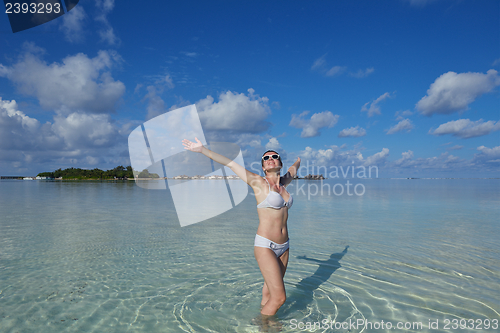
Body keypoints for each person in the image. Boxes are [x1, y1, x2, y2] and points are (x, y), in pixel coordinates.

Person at [182, 138, 301, 316]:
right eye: (265, 158)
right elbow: (230, 163)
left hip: (284, 247)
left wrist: (298, 161)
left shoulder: (284, 183)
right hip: (265, 245)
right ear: (263, 167)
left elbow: (293, 169)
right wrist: (202, 150)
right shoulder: (258, 182)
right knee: (280, 298)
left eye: (274, 156)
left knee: (269, 293)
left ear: (280, 163)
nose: (270, 159)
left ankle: (265, 321)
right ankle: (262, 325)